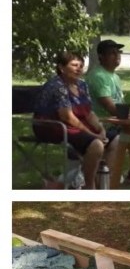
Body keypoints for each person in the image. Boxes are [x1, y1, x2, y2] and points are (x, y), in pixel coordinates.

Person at [32, 52, 112, 189]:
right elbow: (67, 117)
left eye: (81, 65)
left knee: (114, 140)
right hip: (51, 126)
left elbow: (89, 113)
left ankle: (107, 183)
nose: (79, 69)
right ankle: (90, 186)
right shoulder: (57, 85)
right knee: (96, 145)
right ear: (61, 68)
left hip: (73, 125)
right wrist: (93, 135)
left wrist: (101, 129)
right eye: (74, 65)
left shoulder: (82, 85)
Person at [86, 39, 130, 184]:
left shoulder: (115, 76)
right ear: (101, 56)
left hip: (118, 120)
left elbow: (121, 105)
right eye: (112, 53)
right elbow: (111, 108)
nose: (117, 56)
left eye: (118, 52)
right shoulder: (98, 76)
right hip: (102, 123)